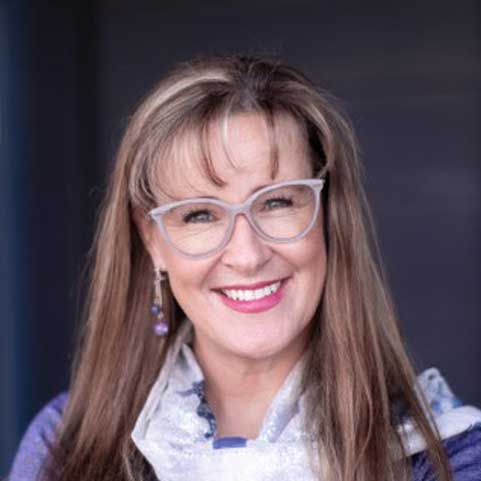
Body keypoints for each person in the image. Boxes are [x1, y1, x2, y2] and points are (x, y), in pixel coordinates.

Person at [8, 55, 481, 481]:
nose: (248, 255)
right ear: (152, 240)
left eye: (277, 202)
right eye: (200, 214)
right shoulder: (63, 444)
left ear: (328, 217)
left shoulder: (449, 454)